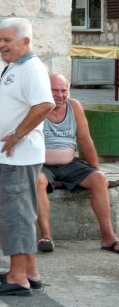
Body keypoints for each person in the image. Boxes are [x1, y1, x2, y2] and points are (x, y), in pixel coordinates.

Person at [0, 17, 54, 297]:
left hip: (18, 156)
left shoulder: (32, 68)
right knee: (19, 213)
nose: (0, 45)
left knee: (16, 215)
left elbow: (45, 104)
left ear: (25, 41)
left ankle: (17, 278)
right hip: (10, 157)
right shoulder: (17, 67)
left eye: (7, 40)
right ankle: (29, 272)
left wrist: (16, 135)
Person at [36, 73, 119, 254]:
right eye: (54, 90)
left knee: (99, 178)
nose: (59, 95)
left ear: (69, 90)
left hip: (70, 163)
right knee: (37, 181)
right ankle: (46, 236)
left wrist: (96, 169)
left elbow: (85, 141)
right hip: (42, 164)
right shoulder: (38, 106)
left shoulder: (74, 107)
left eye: (63, 90)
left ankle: (109, 237)